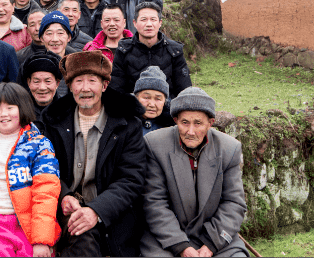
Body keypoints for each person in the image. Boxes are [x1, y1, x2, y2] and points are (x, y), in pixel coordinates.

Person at [41, 50, 146, 257]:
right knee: (81, 234)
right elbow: (46, 169)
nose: (85, 88)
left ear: (104, 86)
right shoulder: (54, 122)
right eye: (78, 81)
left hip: (110, 210)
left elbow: (131, 179)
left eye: (92, 81)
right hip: (63, 208)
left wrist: (96, 210)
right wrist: (64, 195)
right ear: (70, 87)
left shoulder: (127, 125)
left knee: (85, 234)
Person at [140, 88, 248, 257]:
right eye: (184, 122)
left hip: (215, 237)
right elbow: (154, 202)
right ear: (175, 120)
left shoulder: (229, 149)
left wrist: (211, 244)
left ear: (210, 123)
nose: (190, 131)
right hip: (167, 239)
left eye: (198, 123)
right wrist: (181, 246)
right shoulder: (155, 145)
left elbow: (234, 203)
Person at [0, 83, 61, 258]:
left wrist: (41, 240)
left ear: (23, 108)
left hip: (27, 225)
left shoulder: (39, 145)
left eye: (10, 108)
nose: (3, 114)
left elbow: (46, 194)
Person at [111, 2, 192, 98]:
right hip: (134, 107)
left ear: (160, 23)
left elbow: (184, 89)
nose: (149, 24)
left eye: (153, 19)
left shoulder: (174, 51)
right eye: (143, 19)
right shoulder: (124, 49)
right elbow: (116, 88)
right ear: (135, 23)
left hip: (167, 107)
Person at [20, 51, 63, 127]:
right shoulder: (19, 110)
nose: (42, 88)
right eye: (36, 81)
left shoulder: (67, 111)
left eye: (48, 81)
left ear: (57, 83)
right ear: (28, 82)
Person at [133, 66, 174, 136]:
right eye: (146, 97)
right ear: (136, 98)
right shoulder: (123, 122)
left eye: (158, 99)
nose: (152, 104)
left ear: (165, 102)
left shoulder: (173, 127)